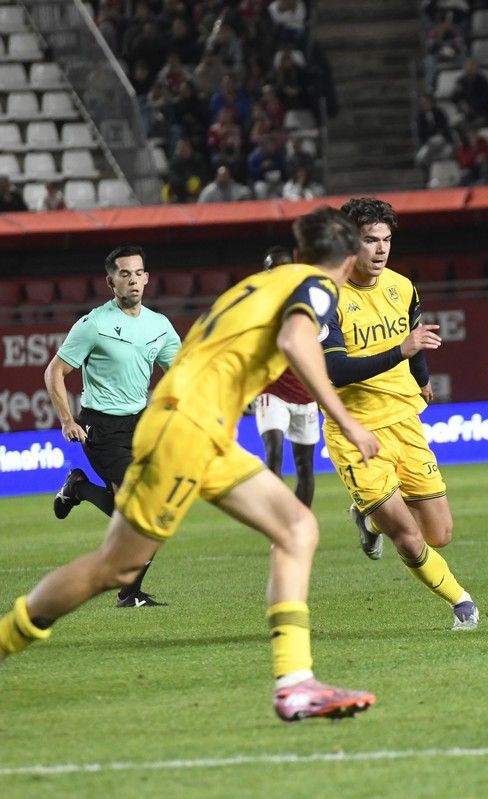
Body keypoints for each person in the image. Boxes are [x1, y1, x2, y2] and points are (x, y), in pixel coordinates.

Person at [2, 207, 380, 722]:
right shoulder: (318, 287)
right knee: (116, 567)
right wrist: (348, 421)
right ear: (349, 259)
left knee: (296, 528)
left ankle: (296, 684)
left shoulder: (262, 284)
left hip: (202, 429)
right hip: (188, 429)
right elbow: (295, 342)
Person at [323, 197, 480, 630]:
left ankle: (367, 518)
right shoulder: (327, 297)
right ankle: (461, 603)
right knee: (408, 539)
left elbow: (416, 339)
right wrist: (400, 351)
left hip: (405, 422)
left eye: (386, 240)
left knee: (439, 534)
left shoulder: (402, 287)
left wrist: (422, 377)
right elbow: (335, 370)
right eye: (369, 240)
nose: (380, 250)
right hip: (356, 433)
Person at [45, 246, 181, 608]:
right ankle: (128, 593)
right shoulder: (94, 325)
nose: (132, 279)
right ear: (111, 282)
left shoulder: (159, 325)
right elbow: (55, 371)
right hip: (101, 427)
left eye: (138, 273)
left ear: (147, 278)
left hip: (141, 424)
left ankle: (78, 488)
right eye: (124, 274)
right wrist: (67, 419)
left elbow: (181, 374)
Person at [255, 246, 320, 507]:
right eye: (272, 269)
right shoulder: (258, 304)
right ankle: (280, 522)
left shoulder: (309, 301)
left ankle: (302, 523)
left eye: (282, 267)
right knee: (274, 454)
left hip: (305, 394)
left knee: (305, 465)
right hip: (272, 391)